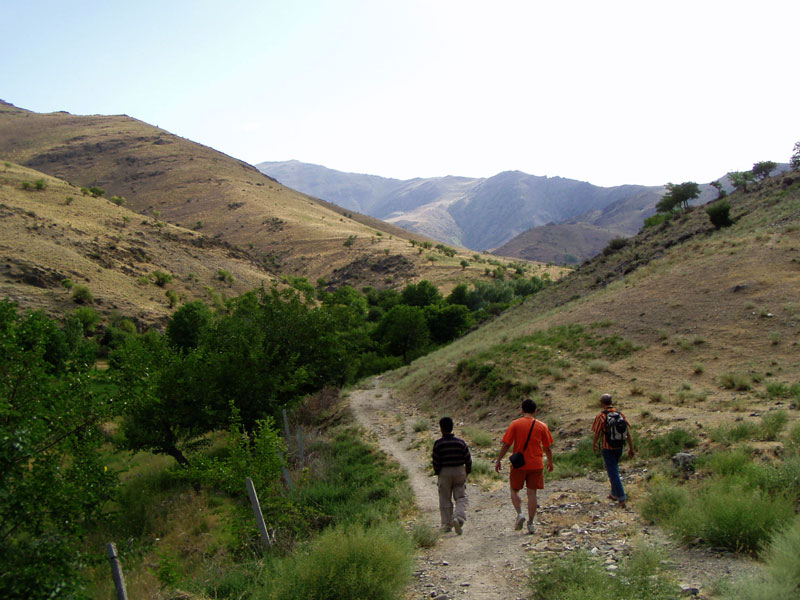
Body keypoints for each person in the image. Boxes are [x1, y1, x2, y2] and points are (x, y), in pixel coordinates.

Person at [494, 399, 554, 534]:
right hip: (536, 464)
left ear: (522, 410)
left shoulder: (515, 424)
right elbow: (548, 447)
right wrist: (550, 462)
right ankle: (531, 523)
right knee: (532, 493)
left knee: (514, 490)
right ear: (535, 411)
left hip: (519, 464)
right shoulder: (542, 426)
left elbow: (506, 444)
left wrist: (498, 460)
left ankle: (520, 513)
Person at [592, 393, 635, 508]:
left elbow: (597, 432)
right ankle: (614, 494)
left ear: (602, 403)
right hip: (620, 446)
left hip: (608, 447)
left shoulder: (601, 416)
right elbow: (628, 433)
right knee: (614, 468)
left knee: (613, 473)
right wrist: (631, 449)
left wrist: (595, 444)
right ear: (612, 402)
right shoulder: (620, 414)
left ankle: (621, 498)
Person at [432, 416, 472, 534]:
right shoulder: (460, 443)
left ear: (441, 429)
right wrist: (467, 471)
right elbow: (468, 459)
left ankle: (447, 524)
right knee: (461, 497)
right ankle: (459, 517)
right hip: (459, 471)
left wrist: (438, 472)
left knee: (445, 498)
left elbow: (436, 460)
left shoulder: (438, 444)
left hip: (444, 472)